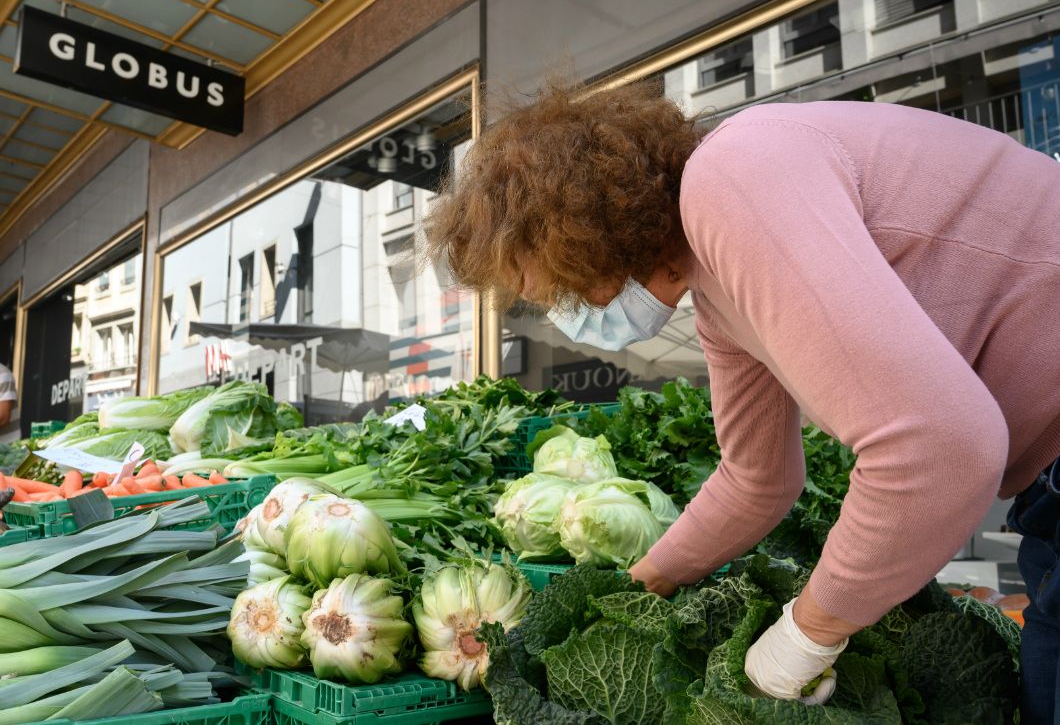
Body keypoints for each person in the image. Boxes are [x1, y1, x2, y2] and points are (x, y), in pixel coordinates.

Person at [425, 81, 1060, 720]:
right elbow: (755, 479)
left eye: (556, 286)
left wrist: (805, 636)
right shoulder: (716, 295)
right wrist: (640, 584)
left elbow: (939, 447)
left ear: (579, 230)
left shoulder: (735, 179)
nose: (567, 308)